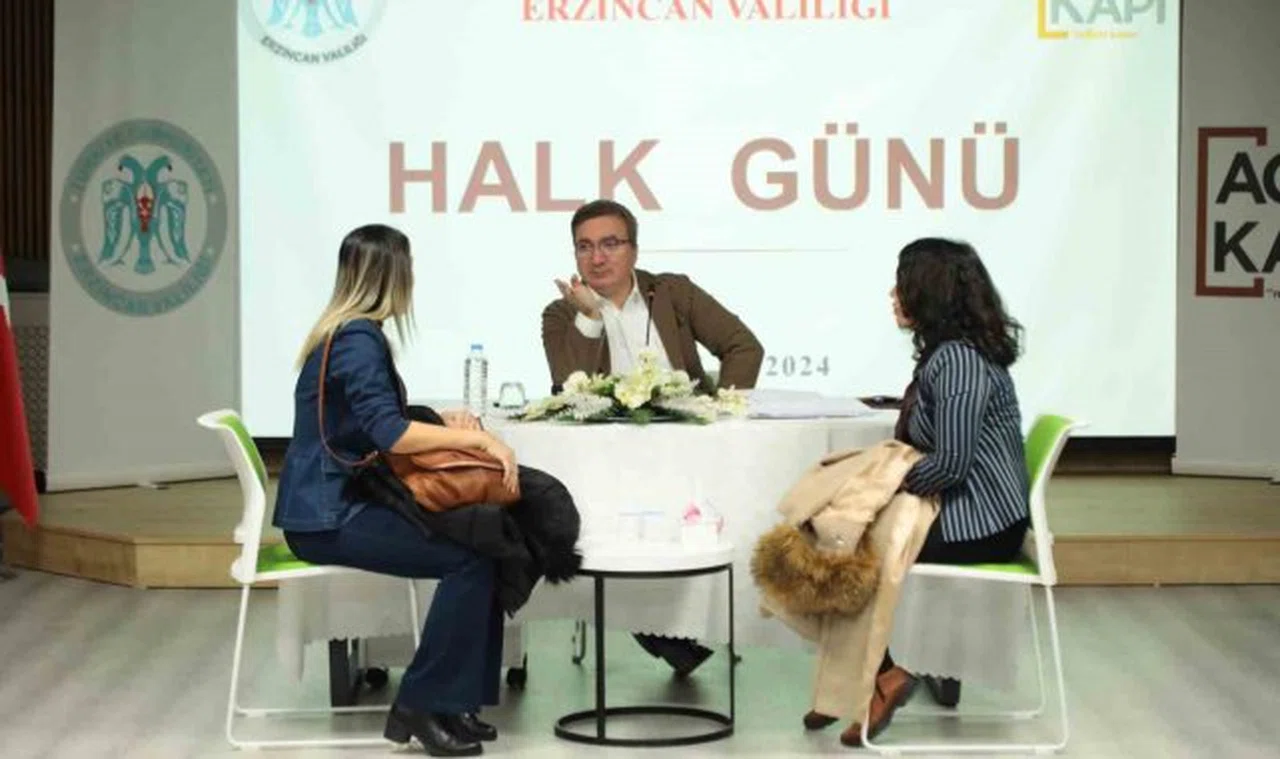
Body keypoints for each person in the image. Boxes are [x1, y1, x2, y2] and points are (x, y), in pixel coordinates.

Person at [273, 223, 519, 757]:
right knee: (470, 557)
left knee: (482, 550)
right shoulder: (358, 339)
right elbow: (388, 432)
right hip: (327, 517)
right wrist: (480, 440)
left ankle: (454, 702)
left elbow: (374, 418)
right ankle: (422, 704)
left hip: (337, 506)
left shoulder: (347, 334)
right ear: (394, 276)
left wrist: (438, 418)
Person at [540, 199, 765, 676]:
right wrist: (590, 319)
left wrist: (722, 412)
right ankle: (666, 632)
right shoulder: (560, 315)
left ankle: (688, 626)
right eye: (584, 247)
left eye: (610, 244)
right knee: (612, 528)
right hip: (609, 464)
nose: (597, 258)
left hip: (688, 452)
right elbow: (570, 386)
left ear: (634, 250)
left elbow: (744, 347)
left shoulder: (672, 293)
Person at [827, 237, 1032, 747]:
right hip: (963, 510)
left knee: (847, 548)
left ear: (929, 292)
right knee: (840, 533)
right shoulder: (950, 354)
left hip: (981, 523)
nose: (893, 294)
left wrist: (888, 484)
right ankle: (868, 679)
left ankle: (887, 677)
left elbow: (953, 464)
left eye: (902, 283)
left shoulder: (958, 360)